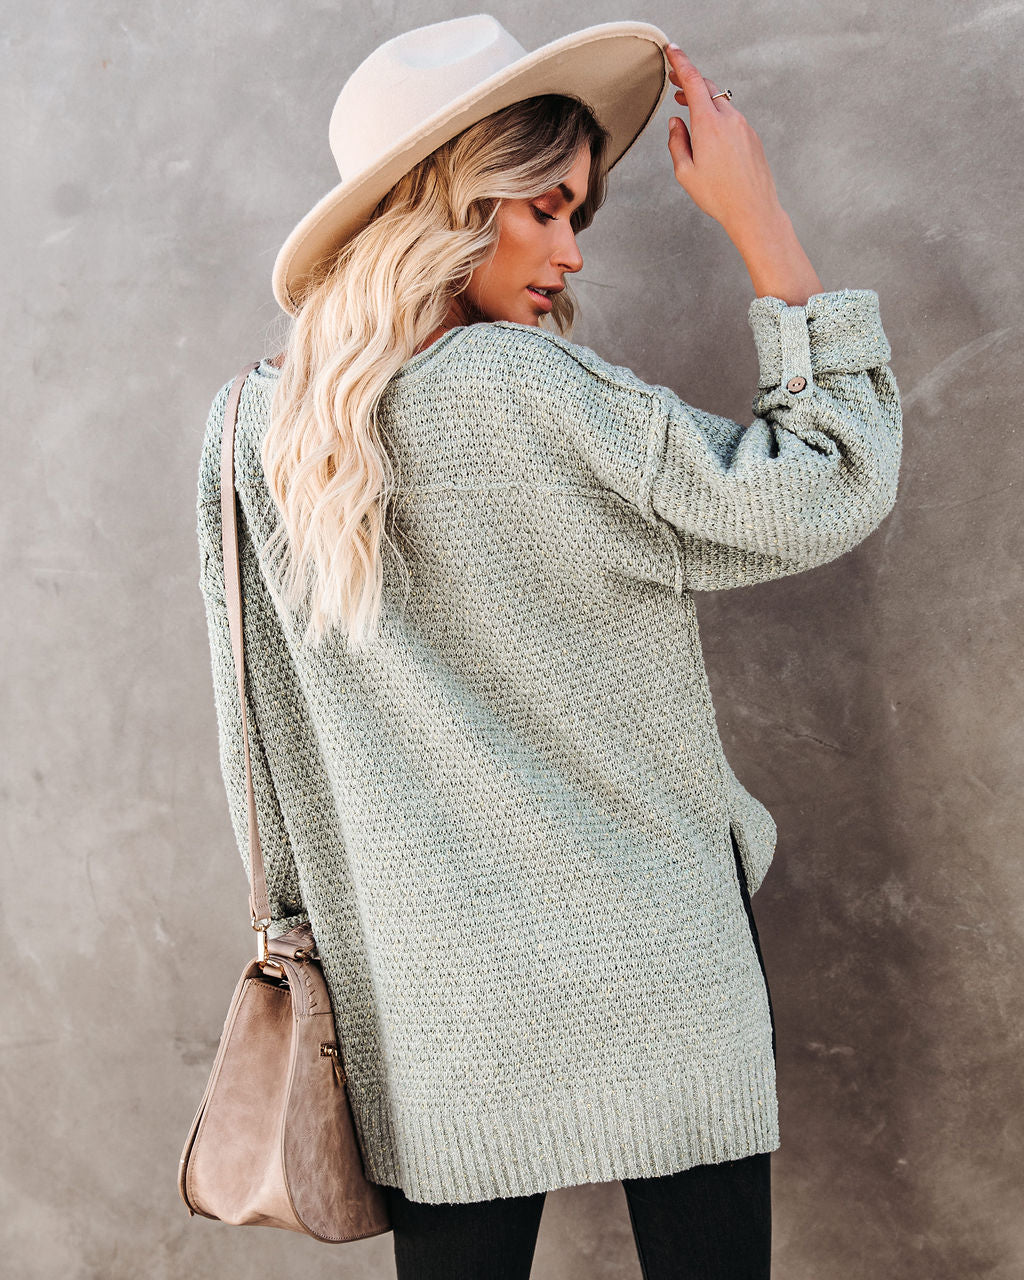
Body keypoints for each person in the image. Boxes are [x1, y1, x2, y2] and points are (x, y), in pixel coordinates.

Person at [194, 15, 902, 1279]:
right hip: (659, 950)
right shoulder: (527, 389)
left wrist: (318, 930)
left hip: (427, 987)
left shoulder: (250, 429)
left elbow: (262, 748)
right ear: (452, 205)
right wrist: (760, 221)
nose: (571, 253)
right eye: (547, 208)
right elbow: (828, 481)